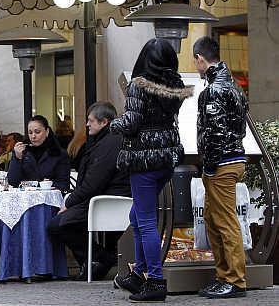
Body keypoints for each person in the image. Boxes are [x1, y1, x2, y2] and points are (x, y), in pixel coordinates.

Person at [111, 38, 192, 302]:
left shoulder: (138, 85)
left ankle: (155, 280)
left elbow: (132, 123)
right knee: (138, 216)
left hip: (143, 161)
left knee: (145, 221)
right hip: (166, 160)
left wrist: (113, 124)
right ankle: (139, 273)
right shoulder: (175, 86)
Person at [47, 102, 130, 281]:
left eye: (91, 121)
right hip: (101, 199)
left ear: (104, 122)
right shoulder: (107, 140)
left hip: (106, 202)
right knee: (60, 222)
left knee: (58, 224)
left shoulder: (109, 143)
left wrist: (69, 202)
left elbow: (94, 182)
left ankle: (99, 258)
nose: (87, 124)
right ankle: (95, 260)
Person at [193, 36, 249, 299]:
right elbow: (239, 127)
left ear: (200, 59)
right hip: (233, 158)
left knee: (224, 222)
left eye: (196, 62)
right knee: (216, 221)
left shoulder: (214, 90)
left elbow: (214, 133)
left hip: (221, 164)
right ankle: (225, 276)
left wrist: (210, 165)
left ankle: (234, 280)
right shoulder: (235, 86)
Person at [7, 115, 70, 192]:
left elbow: (64, 184)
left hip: (49, 200)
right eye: (30, 133)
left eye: (37, 132)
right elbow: (12, 182)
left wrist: (49, 185)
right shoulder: (22, 151)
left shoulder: (58, 153)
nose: (33, 136)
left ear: (47, 132)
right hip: (26, 199)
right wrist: (17, 158)